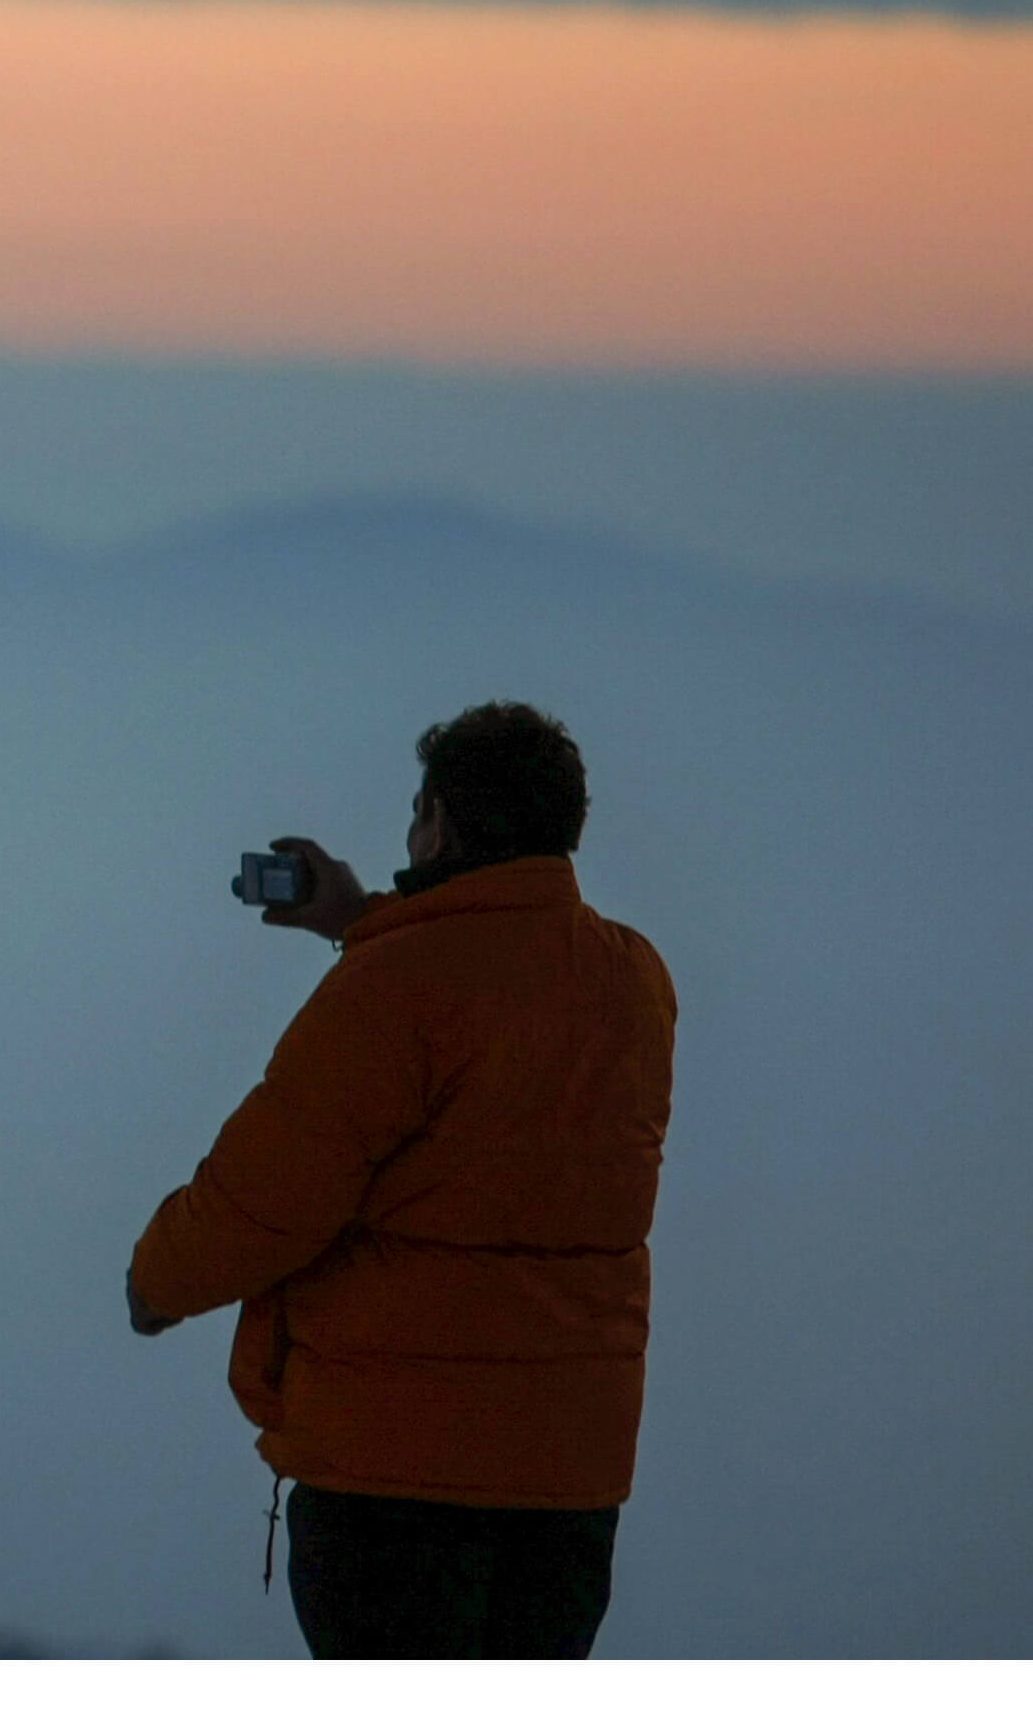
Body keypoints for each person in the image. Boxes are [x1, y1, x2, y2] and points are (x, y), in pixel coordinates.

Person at [125, 702, 676, 1659]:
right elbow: (496, 985)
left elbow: (266, 1195)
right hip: (566, 1484)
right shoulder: (631, 980)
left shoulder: (391, 991)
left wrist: (154, 1285)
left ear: (442, 822)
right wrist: (361, 918)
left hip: (397, 1479)